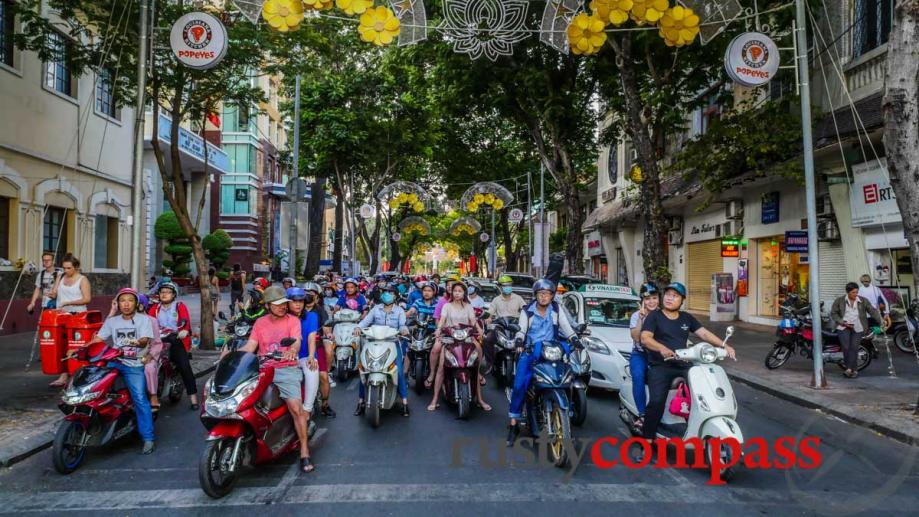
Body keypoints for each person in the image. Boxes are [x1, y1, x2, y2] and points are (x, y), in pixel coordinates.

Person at [228, 286, 313, 472]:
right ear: (267, 306)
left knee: (295, 408)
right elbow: (251, 346)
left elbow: (296, 341)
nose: (282, 307)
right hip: (262, 369)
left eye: (284, 303)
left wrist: (292, 351)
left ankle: (304, 451)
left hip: (286, 369)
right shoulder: (259, 323)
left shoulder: (293, 321)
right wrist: (231, 355)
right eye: (277, 304)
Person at [640, 283, 735, 444]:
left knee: (704, 390)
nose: (670, 298)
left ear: (682, 300)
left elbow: (704, 333)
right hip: (661, 365)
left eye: (675, 296)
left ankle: (693, 427)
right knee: (656, 401)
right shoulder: (654, 316)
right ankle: (647, 439)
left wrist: (724, 346)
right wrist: (662, 348)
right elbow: (645, 338)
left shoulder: (686, 318)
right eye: (668, 294)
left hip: (684, 364)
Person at [83, 288, 156, 454]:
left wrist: (137, 343)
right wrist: (82, 349)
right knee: (94, 388)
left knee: (139, 398)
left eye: (130, 300)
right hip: (114, 362)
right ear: (118, 303)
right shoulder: (112, 322)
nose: (126, 304)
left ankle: (148, 438)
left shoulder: (143, 320)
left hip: (134, 364)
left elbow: (145, 341)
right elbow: (99, 339)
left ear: (136, 303)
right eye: (123, 300)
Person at [506, 279, 576, 444]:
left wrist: (575, 339)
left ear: (552, 296)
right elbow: (522, 330)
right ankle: (514, 423)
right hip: (530, 351)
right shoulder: (527, 311)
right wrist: (519, 341)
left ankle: (568, 411)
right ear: (536, 295)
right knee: (519, 385)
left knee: (570, 377)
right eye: (541, 294)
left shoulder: (556, 310)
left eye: (547, 294)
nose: (544, 297)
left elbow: (566, 327)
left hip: (552, 351)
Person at [429, 281, 490, 412]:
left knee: (478, 351)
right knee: (441, 367)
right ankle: (434, 399)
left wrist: (480, 332)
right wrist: (439, 330)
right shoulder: (447, 306)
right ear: (452, 292)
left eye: (460, 291)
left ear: (464, 293)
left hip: (466, 337)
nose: (457, 293)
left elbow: (473, 322)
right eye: (455, 291)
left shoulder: (468, 306)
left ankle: (480, 397)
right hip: (449, 337)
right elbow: (442, 320)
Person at [353, 284, 410, 417]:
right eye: (385, 292)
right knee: (364, 370)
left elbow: (402, 325)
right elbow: (365, 322)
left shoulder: (399, 311)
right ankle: (361, 402)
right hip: (373, 343)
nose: (387, 295)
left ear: (396, 296)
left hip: (392, 343)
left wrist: (404, 330)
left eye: (390, 293)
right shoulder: (375, 309)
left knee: (400, 372)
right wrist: (358, 328)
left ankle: (405, 403)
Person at [148, 282, 199, 410]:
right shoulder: (155, 308)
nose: (164, 294)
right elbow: (146, 322)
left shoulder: (179, 306)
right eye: (162, 292)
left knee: (184, 366)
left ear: (174, 294)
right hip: (157, 340)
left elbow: (185, 321)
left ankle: (193, 398)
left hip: (175, 339)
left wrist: (184, 330)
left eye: (168, 292)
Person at [287, 287, 321, 461]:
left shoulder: (312, 317)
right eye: (294, 301)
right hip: (284, 360)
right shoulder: (283, 318)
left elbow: (310, 338)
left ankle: (307, 410)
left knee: (312, 370)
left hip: (303, 357)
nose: (298, 305)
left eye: (300, 301)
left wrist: (310, 355)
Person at [47, 254, 91, 387]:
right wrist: (51, 294)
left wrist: (69, 302)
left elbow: (87, 298)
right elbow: (55, 293)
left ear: (76, 267)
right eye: (64, 268)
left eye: (69, 268)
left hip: (78, 316)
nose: (66, 270)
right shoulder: (60, 276)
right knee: (61, 346)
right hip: (61, 316)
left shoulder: (82, 280)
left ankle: (77, 374)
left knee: (75, 347)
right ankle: (63, 375)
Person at [831, 282, 883, 378]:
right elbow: (834, 314)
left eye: (856, 292)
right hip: (843, 327)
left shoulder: (863, 301)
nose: (855, 294)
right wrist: (842, 322)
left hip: (858, 327)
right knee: (846, 347)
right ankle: (851, 369)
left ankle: (851, 370)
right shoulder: (839, 301)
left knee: (854, 348)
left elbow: (872, 311)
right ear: (848, 292)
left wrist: (881, 321)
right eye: (853, 293)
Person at [628, 283, 659, 429]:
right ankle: (642, 413)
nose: (651, 302)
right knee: (638, 376)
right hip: (640, 355)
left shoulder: (663, 314)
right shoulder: (636, 315)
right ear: (642, 301)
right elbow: (635, 336)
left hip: (658, 356)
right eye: (647, 299)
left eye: (654, 298)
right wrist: (641, 318)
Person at [304, 282, 336, 414]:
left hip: (317, 347)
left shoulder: (320, 310)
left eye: (312, 295)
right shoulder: (295, 309)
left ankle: (325, 404)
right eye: (305, 295)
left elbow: (326, 327)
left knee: (323, 376)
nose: (308, 297)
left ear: (317, 297)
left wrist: (328, 333)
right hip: (299, 348)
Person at [134, 294, 164, 412]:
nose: (139, 306)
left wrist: (150, 356)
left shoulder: (152, 321)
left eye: (141, 303)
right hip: (129, 355)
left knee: (149, 368)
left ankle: (153, 396)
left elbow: (157, 342)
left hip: (147, 354)